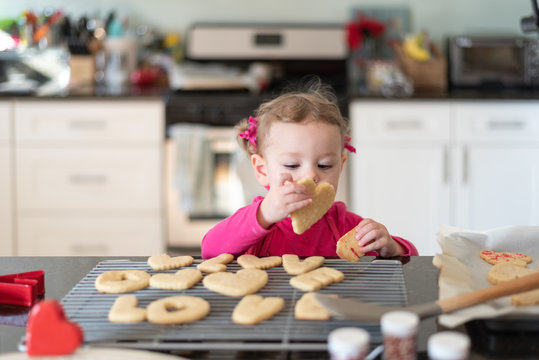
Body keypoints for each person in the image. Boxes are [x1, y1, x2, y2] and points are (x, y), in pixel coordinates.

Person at [201, 79, 418, 259]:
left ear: (341, 166)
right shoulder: (258, 221)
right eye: (292, 165)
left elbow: (413, 258)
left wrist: (391, 246)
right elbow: (209, 249)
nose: (311, 176)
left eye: (325, 165)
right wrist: (265, 213)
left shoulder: (343, 224)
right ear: (262, 169)